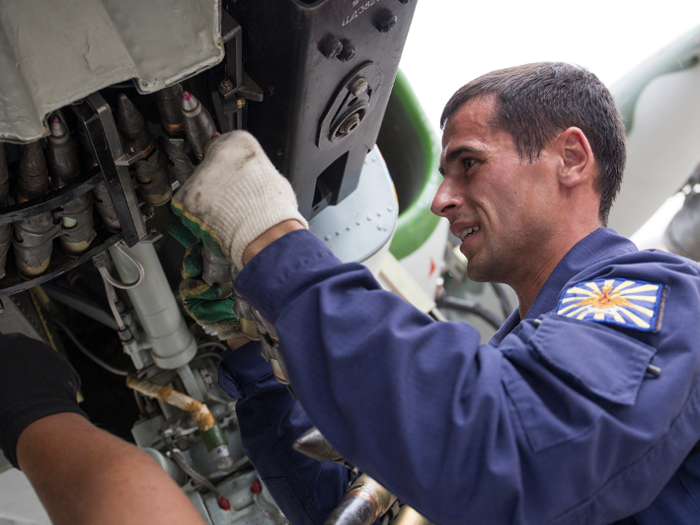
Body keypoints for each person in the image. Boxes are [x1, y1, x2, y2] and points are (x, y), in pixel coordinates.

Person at [1, 62, 699, 525]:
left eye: (469, 165)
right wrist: (249, 360)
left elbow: (507, 450)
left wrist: (271, 239)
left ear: (572, 158)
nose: (443, 199)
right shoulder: (522, 363)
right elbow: (357, 507)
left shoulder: (659, 298)